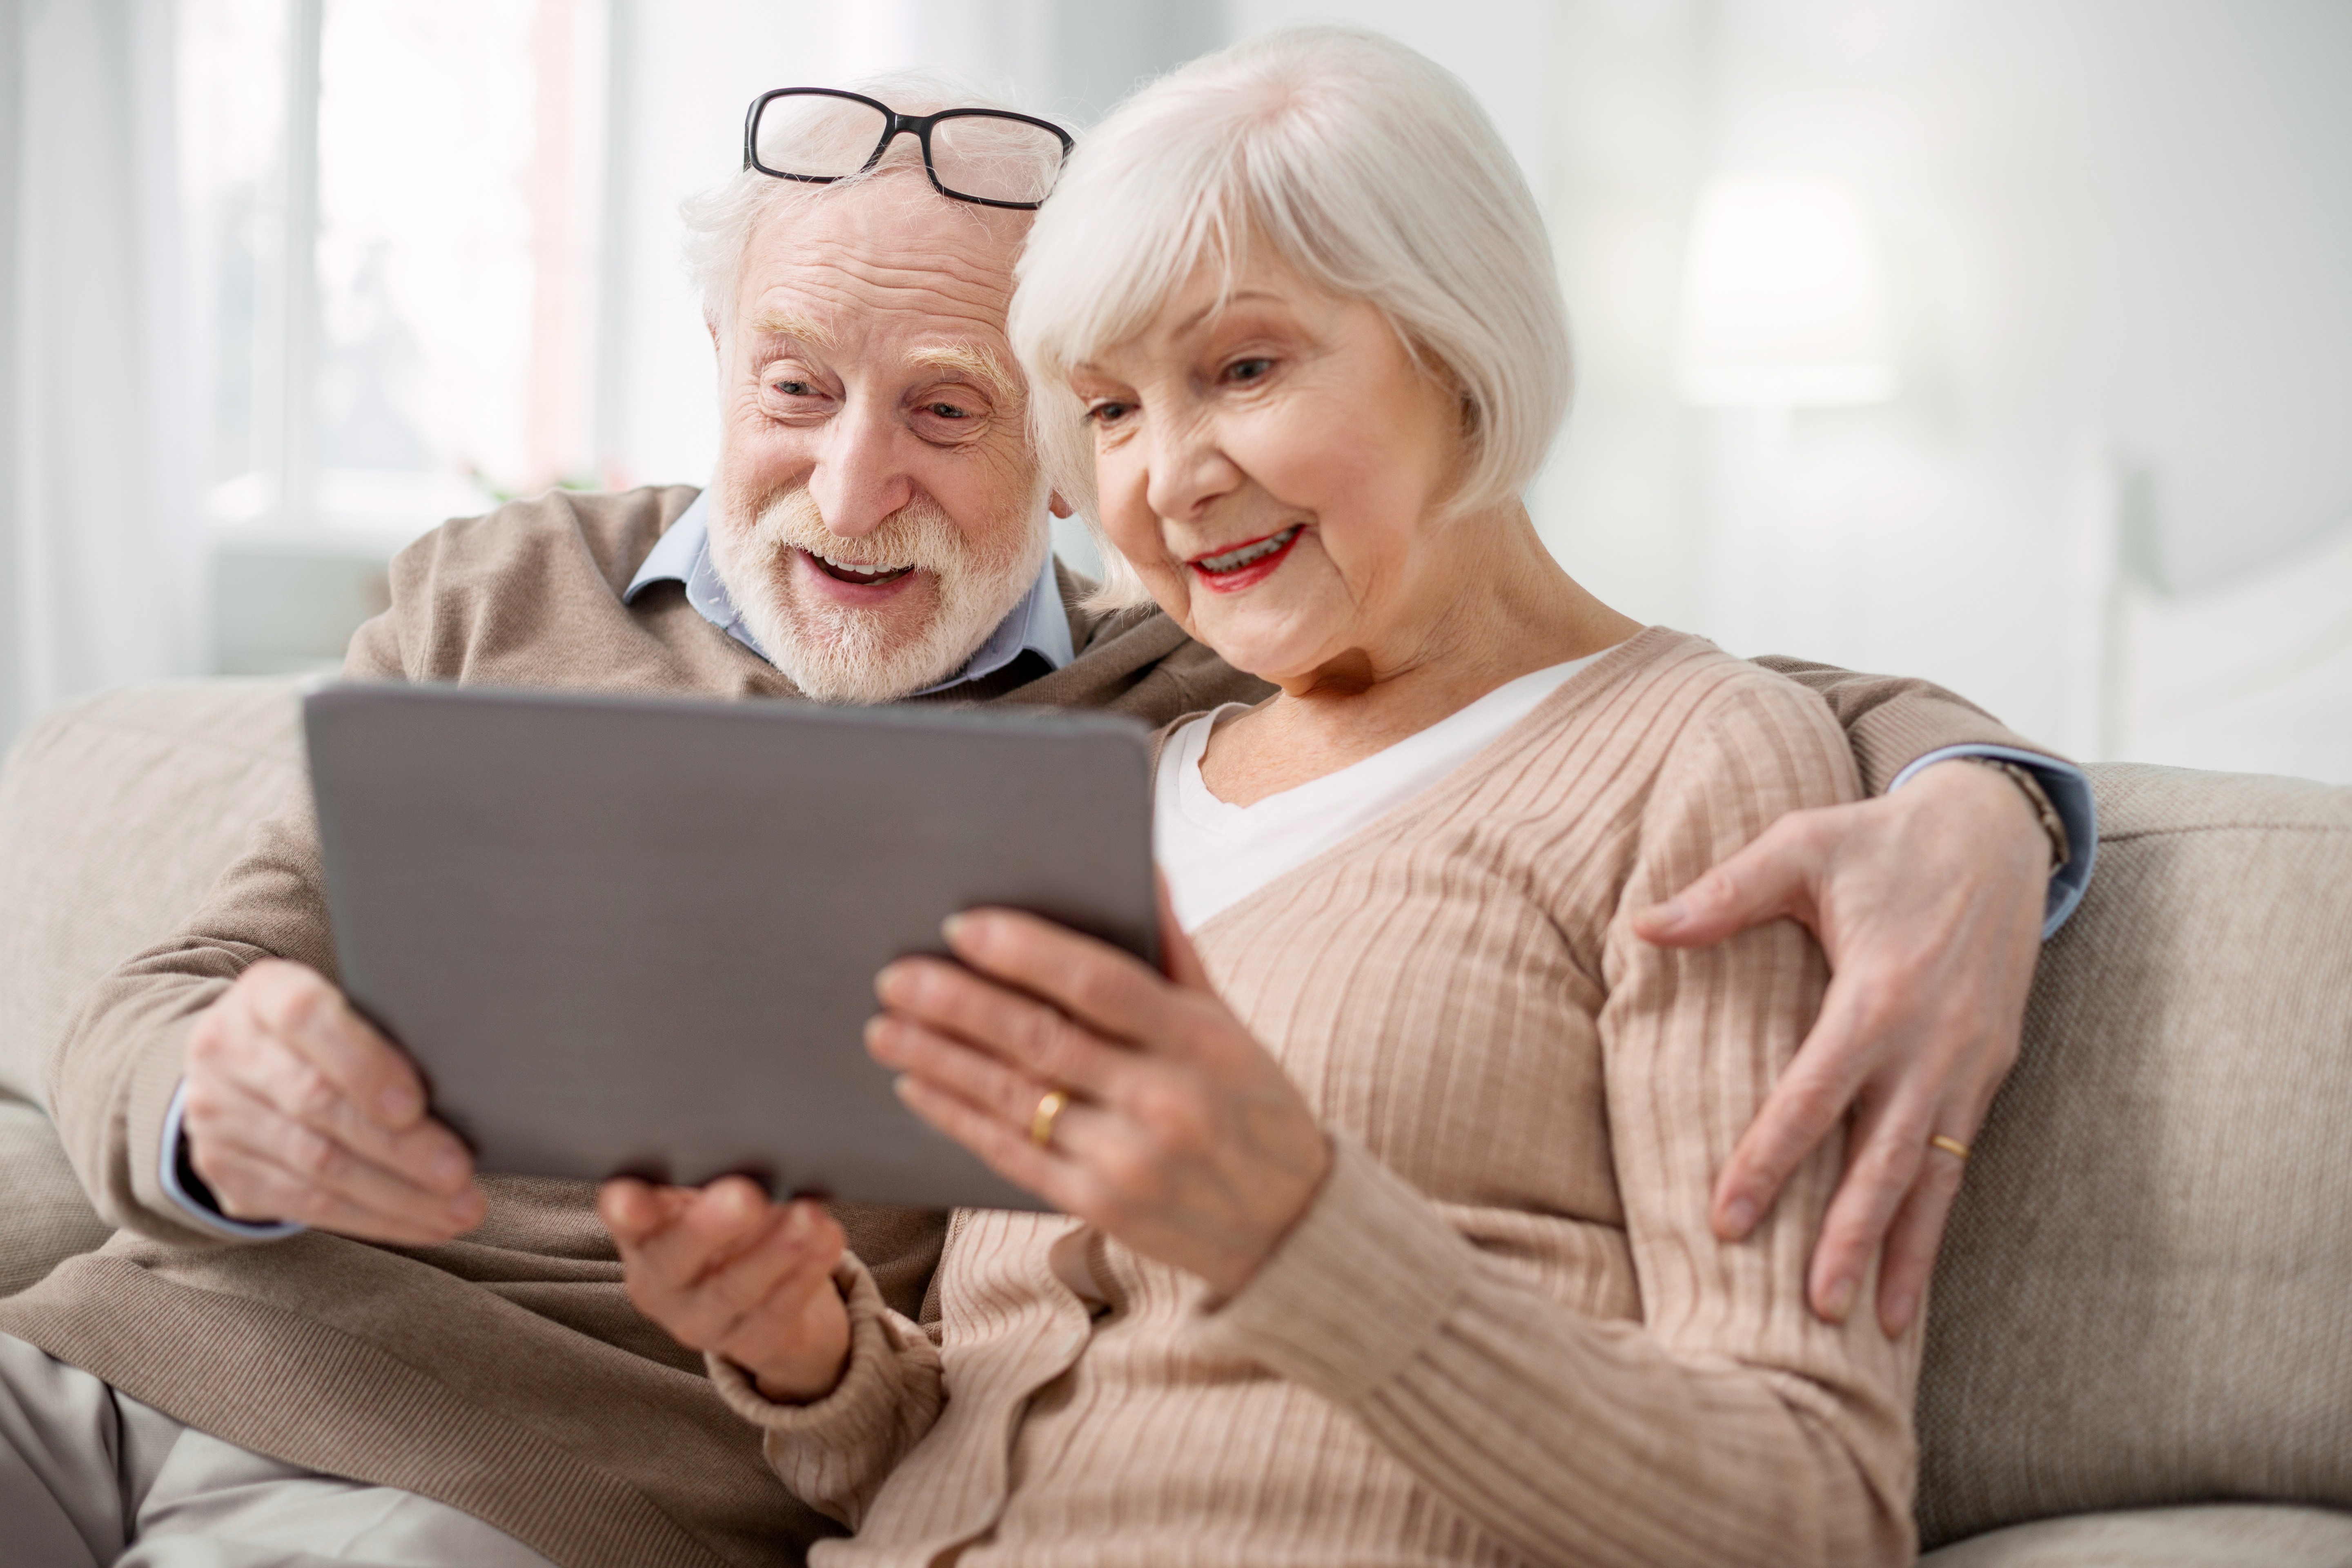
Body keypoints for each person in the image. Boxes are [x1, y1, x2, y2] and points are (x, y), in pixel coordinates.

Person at [0, 66, 2080, 1568]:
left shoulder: (1141, 726)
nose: (848, 489)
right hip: (123, 1344)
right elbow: (179, 974)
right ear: (718, 364)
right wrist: (212, 1098)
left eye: (959, 409)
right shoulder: (505, 589)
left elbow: (1613, 700)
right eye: (795, 390)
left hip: (497, 1503)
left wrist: (1987, 798)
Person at [604, 31, 2084, 1568]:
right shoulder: (1110, 782)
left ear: (1458, 349)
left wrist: (1294, 1228)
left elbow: (1812, 1507)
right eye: (1108, 411)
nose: (1170, 477)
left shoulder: (1692, 762)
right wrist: (813, 1359)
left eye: (1242, 368)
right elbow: (998, 1438)